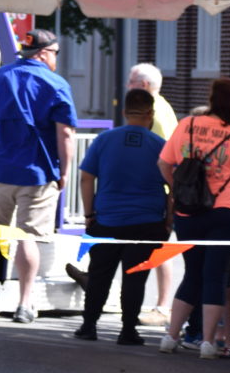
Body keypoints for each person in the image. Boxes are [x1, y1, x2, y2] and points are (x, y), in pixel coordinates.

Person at [156, 78, 230, 359]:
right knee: (216, 274)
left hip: (188, 211)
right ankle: (208, 341)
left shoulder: (188, 125)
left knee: (193, 272)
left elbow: (163, 163)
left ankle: (171, 336)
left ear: (211, 98)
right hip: (227, 211)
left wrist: (178, 190)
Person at [0, 28, 77, 323]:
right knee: (27, 236)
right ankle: (25, 303)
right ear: (44, 53)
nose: (56, 59)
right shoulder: (56, 84)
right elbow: (65, 133)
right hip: (37, 172)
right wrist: (64, 172)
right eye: (55, 54)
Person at [72, 89, 168, 346]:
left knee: (99, 274)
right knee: (135, 277)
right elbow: (174, 185)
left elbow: (86, 178)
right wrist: (167, 220)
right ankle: (128, 330)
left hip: (106, 220)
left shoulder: (104, 140)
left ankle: (89, 325)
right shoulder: (160, 146)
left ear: (124, 112)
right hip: (147, 222)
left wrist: (89, 213)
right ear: (151, 114)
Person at [129, 62, 181, 328]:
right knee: (158, 248)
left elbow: (161, 157)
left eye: (132, 82)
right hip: (159, 191)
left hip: (156, 191)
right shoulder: (162, 106)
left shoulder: (155, 114)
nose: (127, 86)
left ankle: (162, 306)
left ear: (145, 86)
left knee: (159, 249)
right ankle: (161, 304)